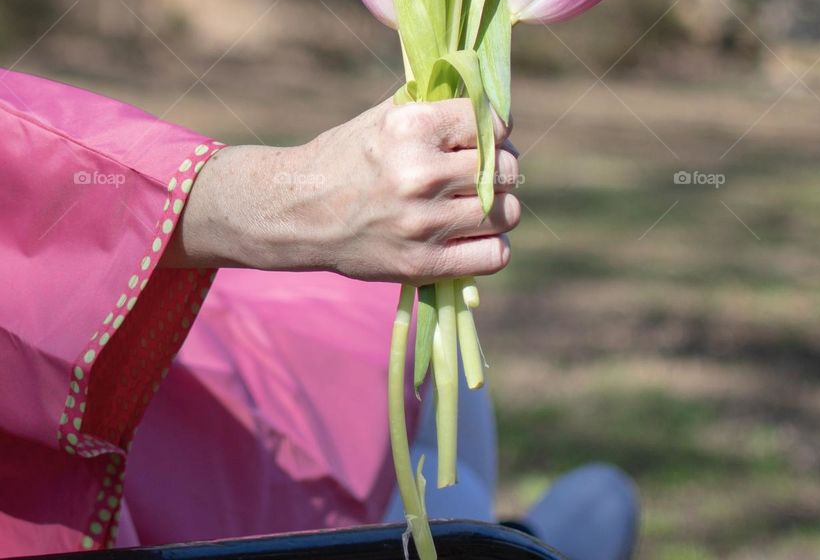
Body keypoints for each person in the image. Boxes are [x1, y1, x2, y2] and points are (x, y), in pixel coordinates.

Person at [0, 68, 637, 559]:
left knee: (456, 449)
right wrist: (306, 201)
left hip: (221, 352)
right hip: (220, 486)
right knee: (549, 509)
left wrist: (293, 198)